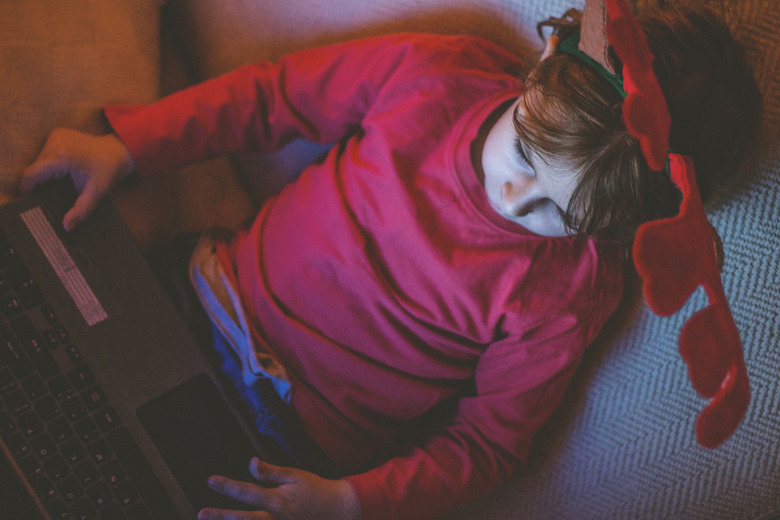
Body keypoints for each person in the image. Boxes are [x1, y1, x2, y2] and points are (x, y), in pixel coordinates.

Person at [21, 1, 760, 519]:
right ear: (543, 65)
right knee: (34, 351)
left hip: (278, 442)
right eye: (525, 151)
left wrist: (348, 502)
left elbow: (488, 445)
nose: (515, 197)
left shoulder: (569, 293)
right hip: (200, 289)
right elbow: (273, 99)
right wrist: (131, 147)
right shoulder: (440, 73)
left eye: (560, 213)